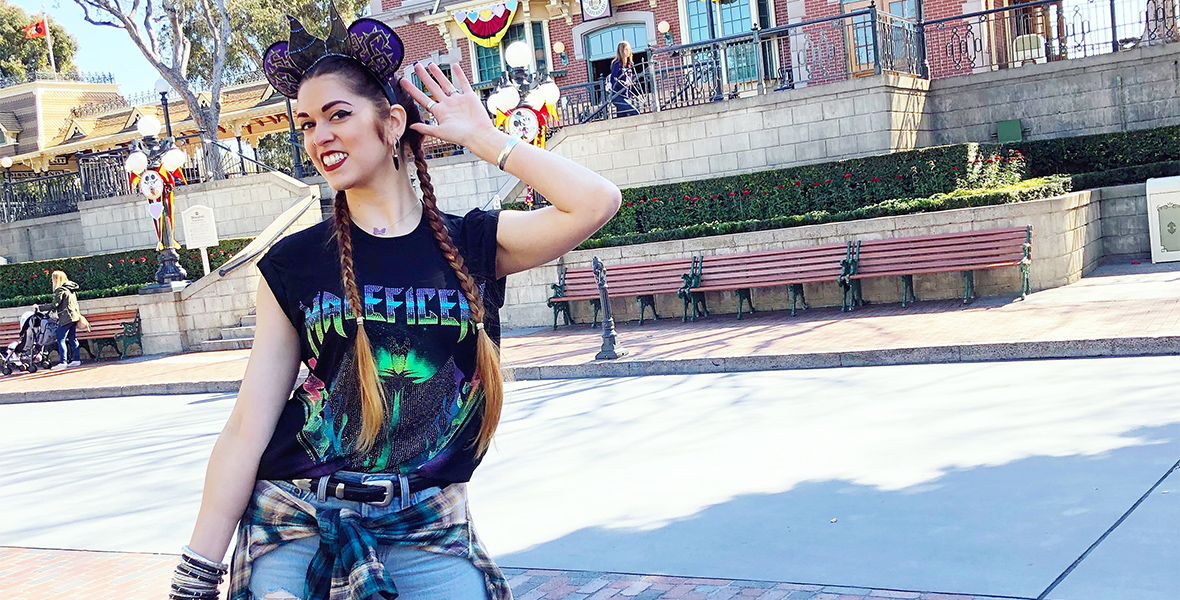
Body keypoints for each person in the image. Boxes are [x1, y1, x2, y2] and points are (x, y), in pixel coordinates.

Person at [169, 7, 620, 600]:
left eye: (338, 114)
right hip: (297, 519)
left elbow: (595, 202)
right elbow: (247, 426)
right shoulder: (294, 262)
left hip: (425, 527)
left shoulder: (473, 243)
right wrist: (197, 571)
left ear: (392, 124)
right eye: (305, 123)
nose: (318, 136)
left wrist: (485, 139)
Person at [35, 270, 82, 370]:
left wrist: (39, 308)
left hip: (65, 317)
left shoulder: (60, 290)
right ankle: (76, 360)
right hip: (74, 316)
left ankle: (63, 362)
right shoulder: (70, 289)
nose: (52, 281)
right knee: (73, 338)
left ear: (56, 279)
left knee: (61, 339)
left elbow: (54, 305)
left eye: (52, 279)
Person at [609, 41, 640, 118]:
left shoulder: (628, 65)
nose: (628, 51)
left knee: (622, 117)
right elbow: (613, 79)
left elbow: (630, 79)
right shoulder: (617, 63)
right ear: (621, 51)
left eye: (629, 49)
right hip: (617, 95)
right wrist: (624, 83)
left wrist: (637, 94)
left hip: (625, 95)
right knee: (635, 112)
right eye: (626, 49)